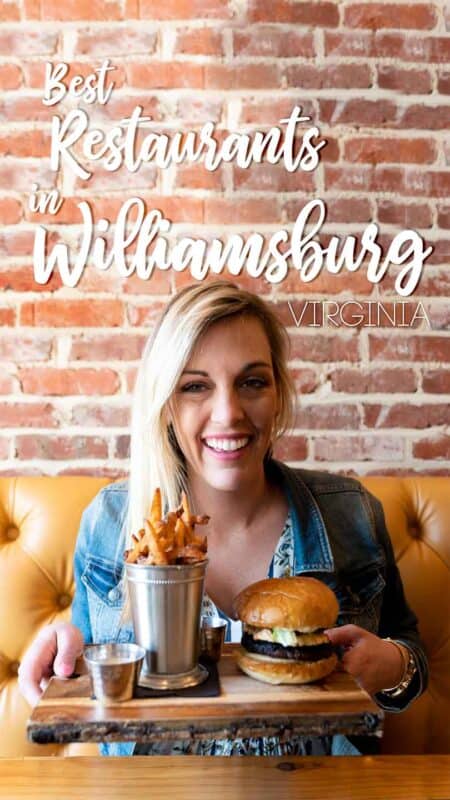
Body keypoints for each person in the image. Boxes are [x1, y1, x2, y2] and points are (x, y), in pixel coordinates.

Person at [18, 281, 428, 756]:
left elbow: (410, 651)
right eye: (195, 386)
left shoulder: (351, 512)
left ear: (278, 394)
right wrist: (59, 648)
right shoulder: (110, 522)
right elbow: (85, 661)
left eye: (252, 381)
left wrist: (395, 666)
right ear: (166, 404)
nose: (228, 413)